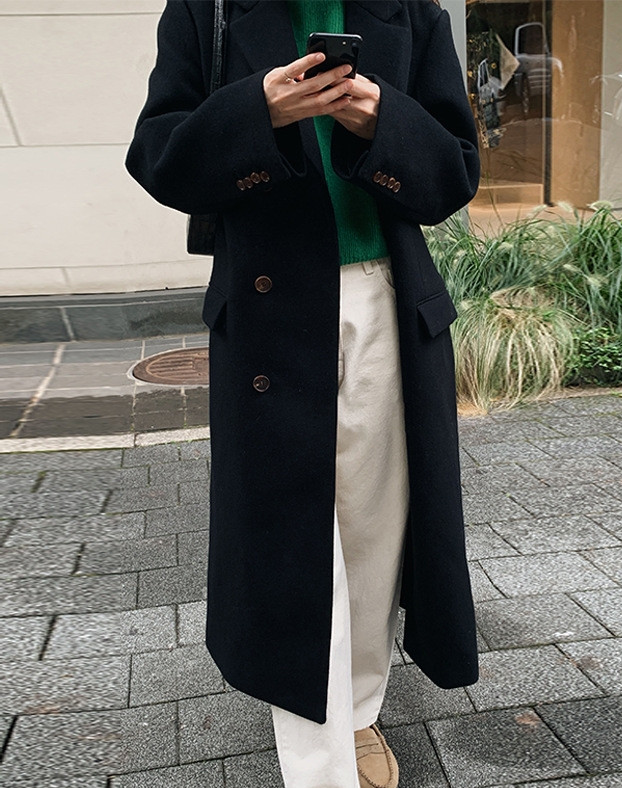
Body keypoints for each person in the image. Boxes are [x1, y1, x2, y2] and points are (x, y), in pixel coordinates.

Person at [125, 1, 480, 787]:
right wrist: (258, 112)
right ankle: (319, 760)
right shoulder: (206, 10)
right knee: (293, 539)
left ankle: (356, 709)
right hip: (271, 313)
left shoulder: (411, 12)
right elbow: (159, 159)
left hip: (388, 303)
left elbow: (454, 175)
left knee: (374, 528)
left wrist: (382, 122)